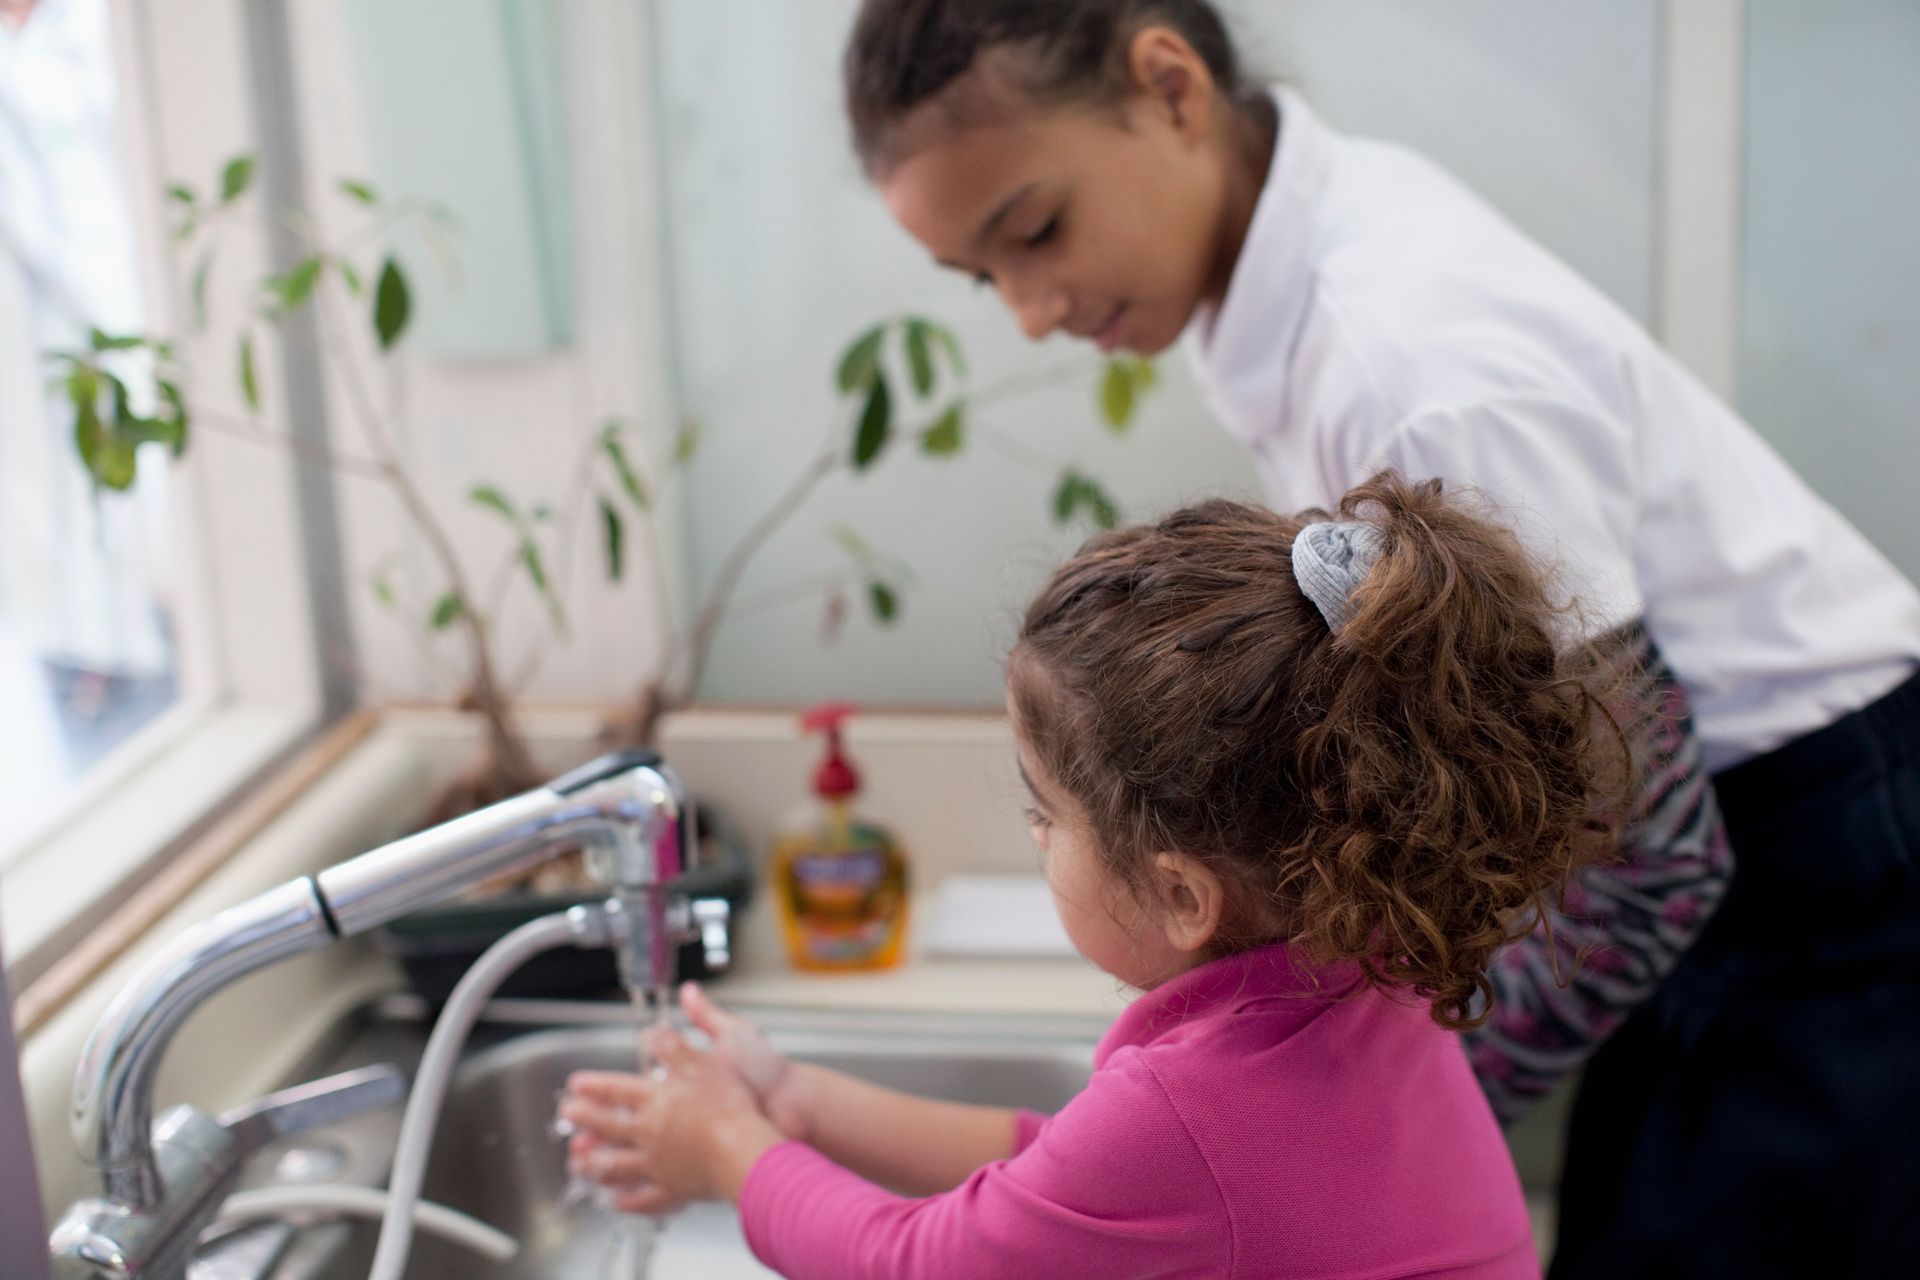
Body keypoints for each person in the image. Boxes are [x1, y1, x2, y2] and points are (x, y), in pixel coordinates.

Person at [836, 3, 1920, 1276]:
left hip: (1822, 859)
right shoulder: (1302, 282)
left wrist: (1355, 1129)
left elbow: (1656, 862)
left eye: (1035, 229)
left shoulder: (1406, 358)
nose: (1025, 308)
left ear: (1169, 85)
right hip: (1737, 850)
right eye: (983, 273)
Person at [563, 474, 1625, 1279]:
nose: (1033, 836)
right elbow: (1061, 1180)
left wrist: (726, 1149)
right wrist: (799, 1097)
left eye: (1044, 810)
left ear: (1181, 893)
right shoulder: (1363, 961)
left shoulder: (1191, 1110)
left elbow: (916, 1261)